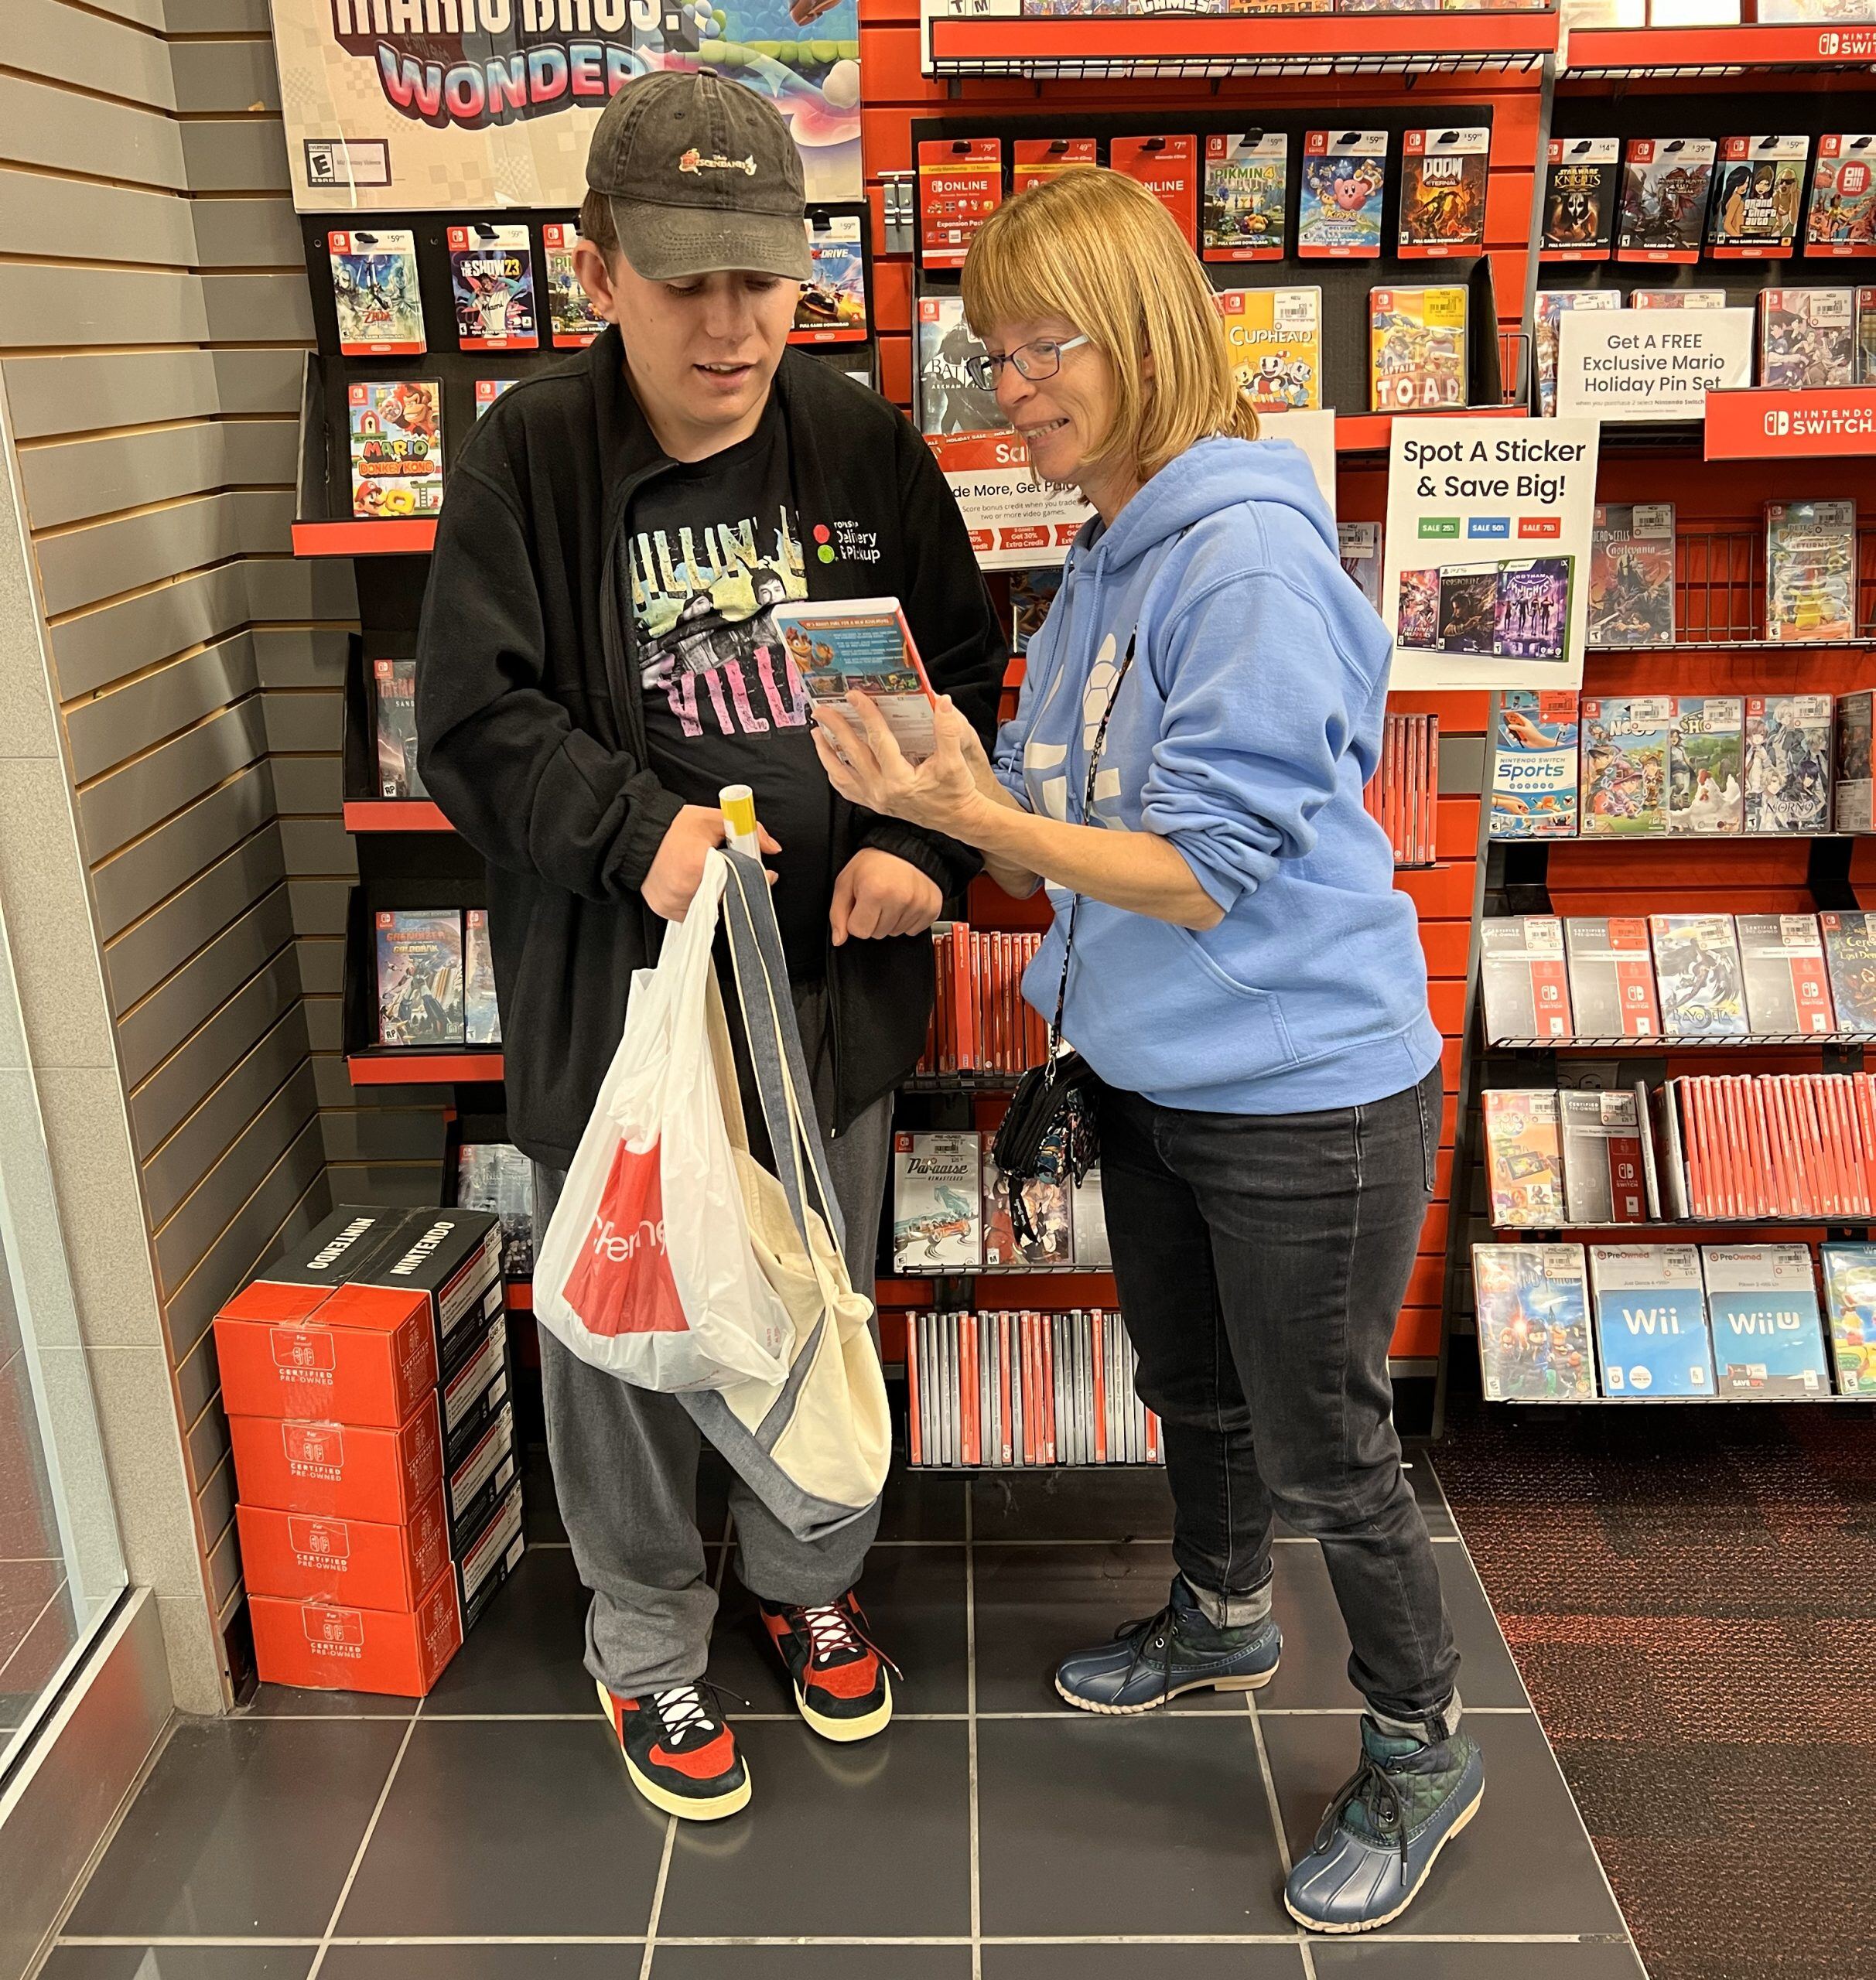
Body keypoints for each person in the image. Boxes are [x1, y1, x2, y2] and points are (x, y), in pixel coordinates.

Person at [810, 166, 1478, 1935]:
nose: (1012, 386)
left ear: (1151, 334)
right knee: (1191, 1382)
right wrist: (952, 770)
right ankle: (1221, 1612)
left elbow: (1200, 870)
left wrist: (978, 821)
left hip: (1306, 1093)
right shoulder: (1118, 544)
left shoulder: (1240, 555)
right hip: (1164, 1072)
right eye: (991, 355)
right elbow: (1084, 800)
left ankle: (1421, 1746)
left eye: (1047, 348)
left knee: (1331, 1441)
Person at [415, 70, 1004, 1823]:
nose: (733, 323)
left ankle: (801, 1570)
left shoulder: (861, 443)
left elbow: (959, 677)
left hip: (820, 1002)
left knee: (811, 1306)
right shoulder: (529, 451)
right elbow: (469, 717)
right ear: (595, 268)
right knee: (619, 1326)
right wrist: (632, 829)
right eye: (685, 280)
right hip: (619, 1015)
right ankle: (646, 1634)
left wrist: (910, 846)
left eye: (761, 276)